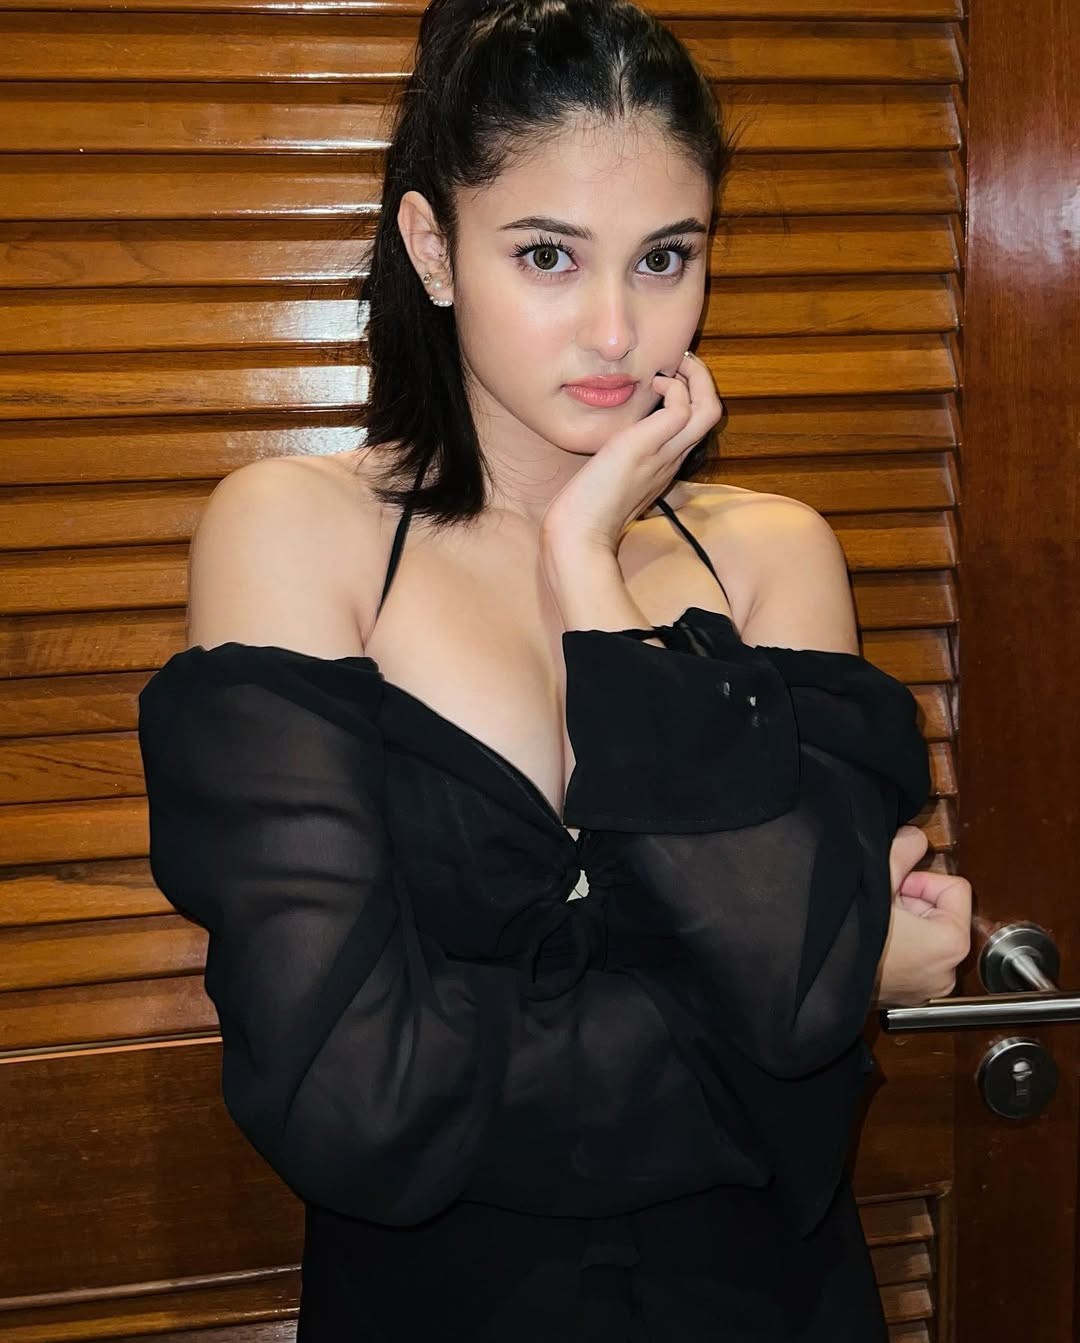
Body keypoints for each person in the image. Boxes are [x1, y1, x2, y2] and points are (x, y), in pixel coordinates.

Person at [136, 0, 972, 1337]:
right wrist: (826, 983)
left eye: (664, 258)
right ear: (434, 249)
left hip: (772, 1303)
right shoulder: (296, 533)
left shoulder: (774, 556)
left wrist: (590, 573)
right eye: (547, 255)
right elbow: (348, 1093)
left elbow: (798, 1018)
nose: (616, 331)